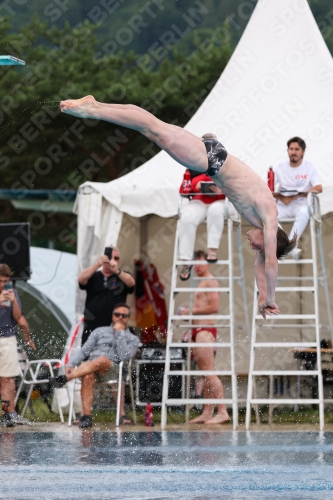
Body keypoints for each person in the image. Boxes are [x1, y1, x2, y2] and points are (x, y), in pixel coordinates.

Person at [60, 95, 297, 318]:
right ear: (271, 239)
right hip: (212, 161)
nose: (253, 246)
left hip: (214, 158)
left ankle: (96, 106)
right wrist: (274, 298)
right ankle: (93, 109)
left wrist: (263, 298)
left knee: (153, 128)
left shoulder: (262, 221)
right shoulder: (270, 216)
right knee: (152, 128)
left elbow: (261, 268)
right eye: (259, 246)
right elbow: (271, 263)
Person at [51, 303, 139, 428]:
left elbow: (124, 356)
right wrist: (70, 364)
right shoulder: (99, 331)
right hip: (91, 367)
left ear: (128, 318)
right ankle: (86, 416)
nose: (120, 317)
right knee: (87, 376)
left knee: (102, 359)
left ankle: (66, 378)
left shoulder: (132, 338)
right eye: (117, 314)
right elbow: (84, 351)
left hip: (113, 368)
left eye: (123, 315)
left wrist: (120, 334)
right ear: (112, 316)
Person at [179, 250, 229, 425]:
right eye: (195, 263)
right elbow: (202, 308)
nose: (197, 266)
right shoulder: (201, 283)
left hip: (205, 331)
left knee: (208, 372)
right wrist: (189, 315)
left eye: (200, 263)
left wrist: (190, 312)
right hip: (198, 329)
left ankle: (222, 411)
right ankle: (207, 411)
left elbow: (214, 307)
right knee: (203, 374)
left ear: (208, 264)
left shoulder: (210, 282)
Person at [178, 133, 230, 281]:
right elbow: (185, 187)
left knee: (216, 211)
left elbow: (235, 183)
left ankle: (212, 250)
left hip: (219, 199)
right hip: (200, 199)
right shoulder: (192, 162)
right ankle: (186, 261)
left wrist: (221, 189)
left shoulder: (225, 160)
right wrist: (197, 185)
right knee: (187, 216)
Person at [273, 137, 322, 259]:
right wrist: (280, 196)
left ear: (303, 152)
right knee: (268, 215)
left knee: (305, 211)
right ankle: (286, 245)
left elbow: (318, 187)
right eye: (291, 149)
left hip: (301, 203)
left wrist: (297, 196)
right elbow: (267, 188)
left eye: (297, 149)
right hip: (283, 204)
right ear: (287, 150)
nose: (293, 152)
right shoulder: (280, 167)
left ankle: (290, 246)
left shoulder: (309, 167)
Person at [0, 264, 36, 427]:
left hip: (7, 338)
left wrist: (13, 301)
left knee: (7, 377)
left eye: (5, 281)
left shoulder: (11, 292)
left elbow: (18, 317)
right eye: (0, 281)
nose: (2, 285)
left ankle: (9, 413)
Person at [78, 247, 135, 345]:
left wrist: (117, 271)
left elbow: (131, 283)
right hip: (92, 324)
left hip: (114, 325)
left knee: (111, 354)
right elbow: (81, 279)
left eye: (116, 258)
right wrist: (98, 264)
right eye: (109, 257)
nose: (112, 260)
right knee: (87, 353)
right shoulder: (94, 275)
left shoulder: (122, 276)